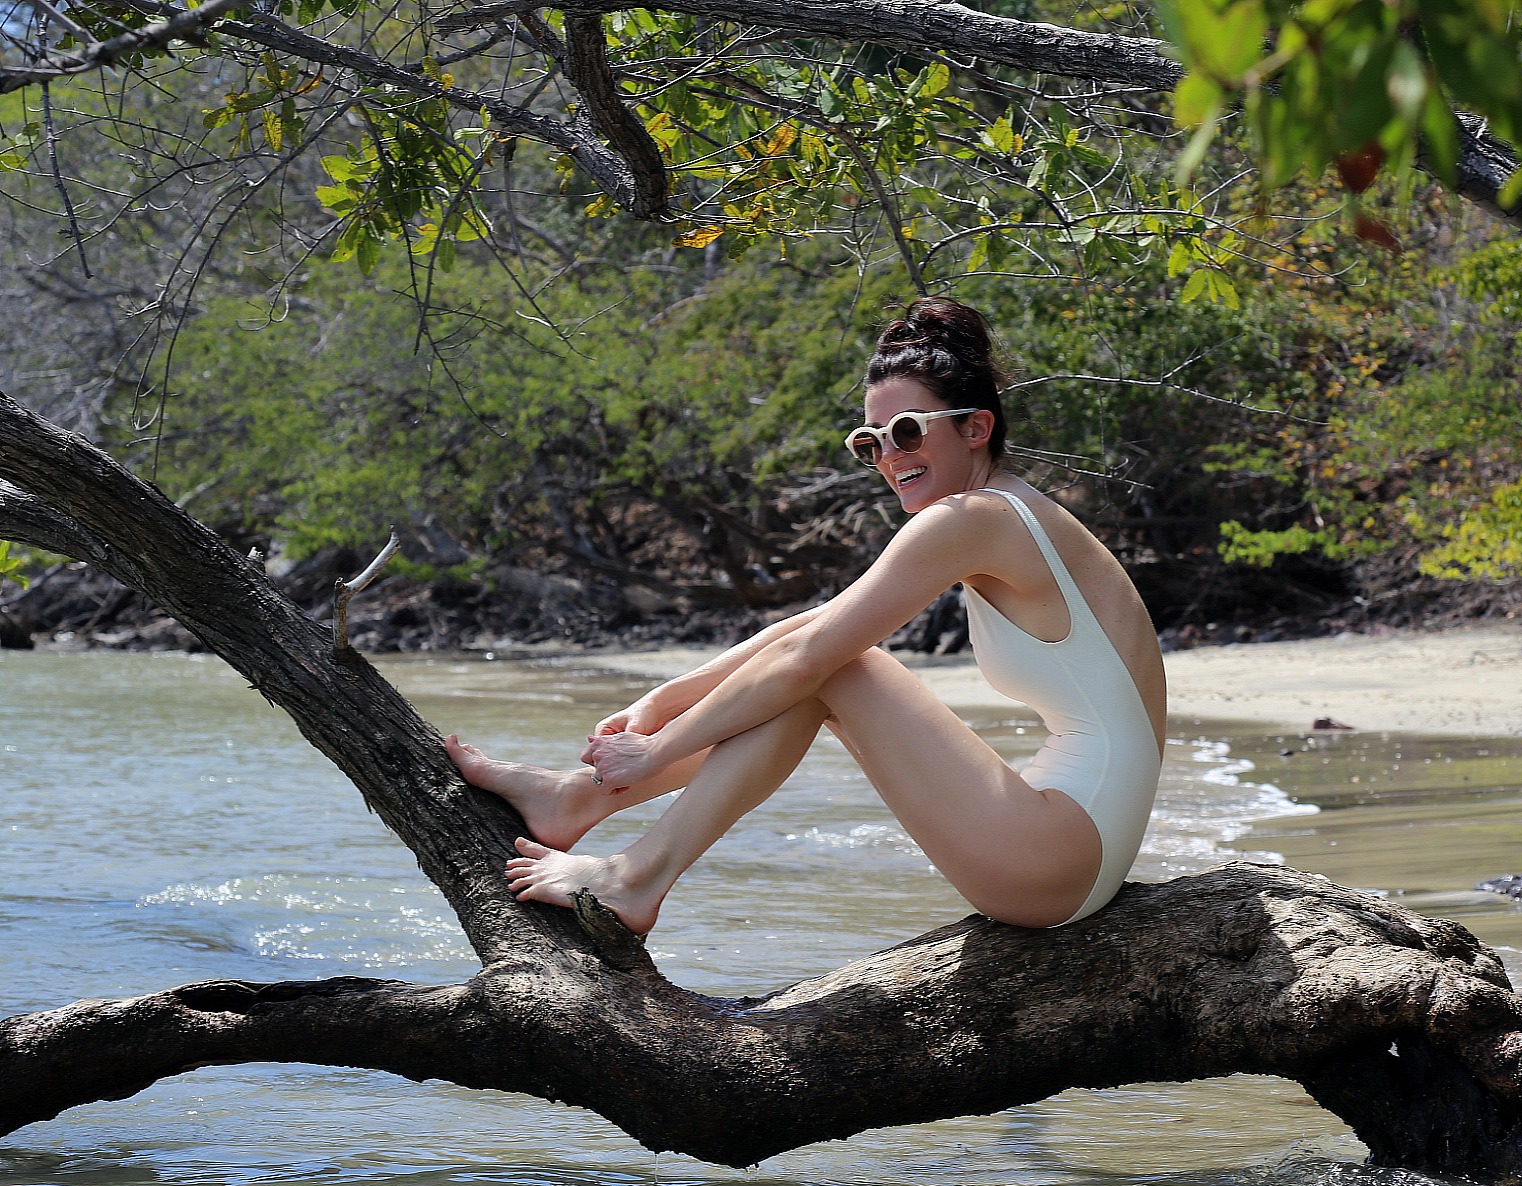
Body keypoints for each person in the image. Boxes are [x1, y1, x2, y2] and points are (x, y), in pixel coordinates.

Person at [446, 299, 1166, 936]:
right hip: (1073, 843)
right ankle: (575, 802)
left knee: (836, 671)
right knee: (826, 660)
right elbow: (810, 626)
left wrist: (654, 753)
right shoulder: (1002, 510)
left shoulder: (972, 519)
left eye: (908, 432)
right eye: (869, 442)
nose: (889, 457)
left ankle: (634, 874)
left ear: (976, 427)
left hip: (1061, 858)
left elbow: (809, 658)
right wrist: (659, 703)